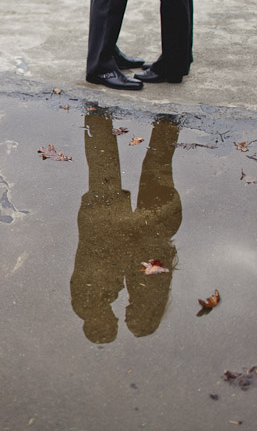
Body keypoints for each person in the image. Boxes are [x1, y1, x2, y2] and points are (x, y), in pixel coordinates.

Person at [70, 110, 181, 343]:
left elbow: (111, 256)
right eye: (125, 320)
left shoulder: (97, 298)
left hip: (120, 225)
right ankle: (98, 116)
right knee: (110, 169)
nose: (119, 318)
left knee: (146, 170)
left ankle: (163, 124)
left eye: (115, 322)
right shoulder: (97, 299)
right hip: (125, 225)